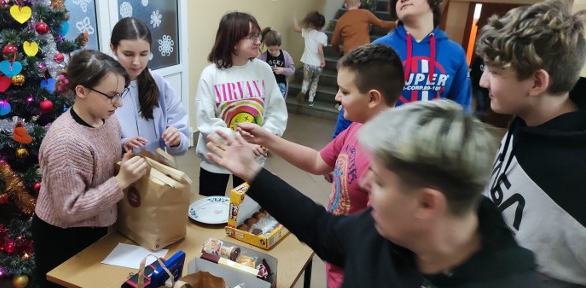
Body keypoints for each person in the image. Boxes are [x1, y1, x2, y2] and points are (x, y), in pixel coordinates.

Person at [206, 100, 540, 287]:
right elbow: (320, 228)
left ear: (427, 203)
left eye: (379, 181)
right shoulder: (381, 231)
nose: (364, 185)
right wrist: (253, 174)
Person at [238, 44, 403, 288]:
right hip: (335, 261)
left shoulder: (389, 159)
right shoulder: (357, 128)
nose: (337, 97)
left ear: (372, 98)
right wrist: (267, 138)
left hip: (353, 269)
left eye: (345, 92)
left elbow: (373, 243)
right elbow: (318, 161)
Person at [476, 0, 586, 285]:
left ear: (537, 83)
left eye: (495, 71)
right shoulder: (525, 117)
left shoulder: (577, 176)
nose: (483, 82)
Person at [32, 50, 149, 287]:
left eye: (121, 92)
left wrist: (121, 144)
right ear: (81, 91)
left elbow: (96, 151)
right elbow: (69, 209)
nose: (119, 102)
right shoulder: (65, 143)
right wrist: (121, 182)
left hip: (97, 224)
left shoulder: (106, 118)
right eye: (111, 95)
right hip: (64, 238)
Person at [333, 0, 471, 137]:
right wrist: (335, 147)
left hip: (432, 149)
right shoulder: (379, 49)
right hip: (383, 145)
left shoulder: (455, 53)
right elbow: (353, 103)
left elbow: (461, 109)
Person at [195, 12, 288, 197]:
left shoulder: (263, 70)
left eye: (257, 35)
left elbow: (275, 111)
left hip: (252, 159)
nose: (257, 41)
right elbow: (207, 121)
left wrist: (264, 138)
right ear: (232, 41)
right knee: (211, 217)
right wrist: (241, 144)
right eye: (251, 36)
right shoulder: (211, 74)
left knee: (247, 217)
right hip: (216, 162)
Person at [110, 17, 190, 156]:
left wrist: (176, 139)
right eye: (128, 54)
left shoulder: (159, 83)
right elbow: (98, 138)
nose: (136, 62)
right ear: (113, 48)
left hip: (158, 170)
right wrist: (123, 144)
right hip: (123, 172)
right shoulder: (104, 89)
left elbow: (182, 136)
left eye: (143, 54)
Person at [331, 0, 396, 55]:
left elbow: (334, 42)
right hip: (364, 52)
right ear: (359, 3)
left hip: (348, 54)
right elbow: (382, 24)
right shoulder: (365, 13)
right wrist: (397, 24)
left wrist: (339, 51)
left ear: (345, 5)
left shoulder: (341, 20)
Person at [293, 11, 328, 107]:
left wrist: (294, 19)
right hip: (317, 64)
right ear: (322, 24)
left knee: (306, 79)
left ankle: (303, 91)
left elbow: (296, 28)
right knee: (315, 81)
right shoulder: (323, 36)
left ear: (312, 23)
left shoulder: (307, 32)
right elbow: (319, 48)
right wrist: (323, 60)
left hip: (308, 63)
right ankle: (311, 100)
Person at [257, 27, 295, 99]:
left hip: (281, 87)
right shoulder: (262, 57)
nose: (274, 52)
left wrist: (283, 70)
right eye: (271, 50)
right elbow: (256, 70)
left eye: (276, 49)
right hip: (267, 89)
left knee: (279, 106)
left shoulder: (285, 55)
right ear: (266, 45)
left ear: (279, 45)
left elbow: (292, 70)